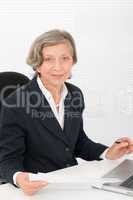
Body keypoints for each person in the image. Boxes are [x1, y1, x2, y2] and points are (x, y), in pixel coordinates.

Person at [0, 29, 133, 196]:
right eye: (48, 59)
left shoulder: (75, 94)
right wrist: (19, 178)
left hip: (70, 182)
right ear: (37, 64)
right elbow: (8, 159)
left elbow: (78, 142)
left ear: (73, 62)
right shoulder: (15, 103)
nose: (58, 67)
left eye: (65, 58)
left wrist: (107, 152)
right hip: (38, 189)